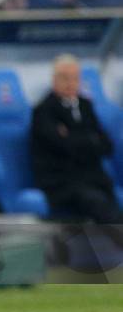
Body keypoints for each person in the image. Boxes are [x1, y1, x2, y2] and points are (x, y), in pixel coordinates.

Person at [31, 54, 121, 223]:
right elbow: (63, 146)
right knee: (97, 203)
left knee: (110, 201)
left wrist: (73, 136)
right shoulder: (43, 111)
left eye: (74, 78)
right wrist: (89, 139)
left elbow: (106, 146)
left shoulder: (86, 106)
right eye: (65, 78)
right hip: (61, 182)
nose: (70, 83)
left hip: (94, 178)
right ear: (54, 80)